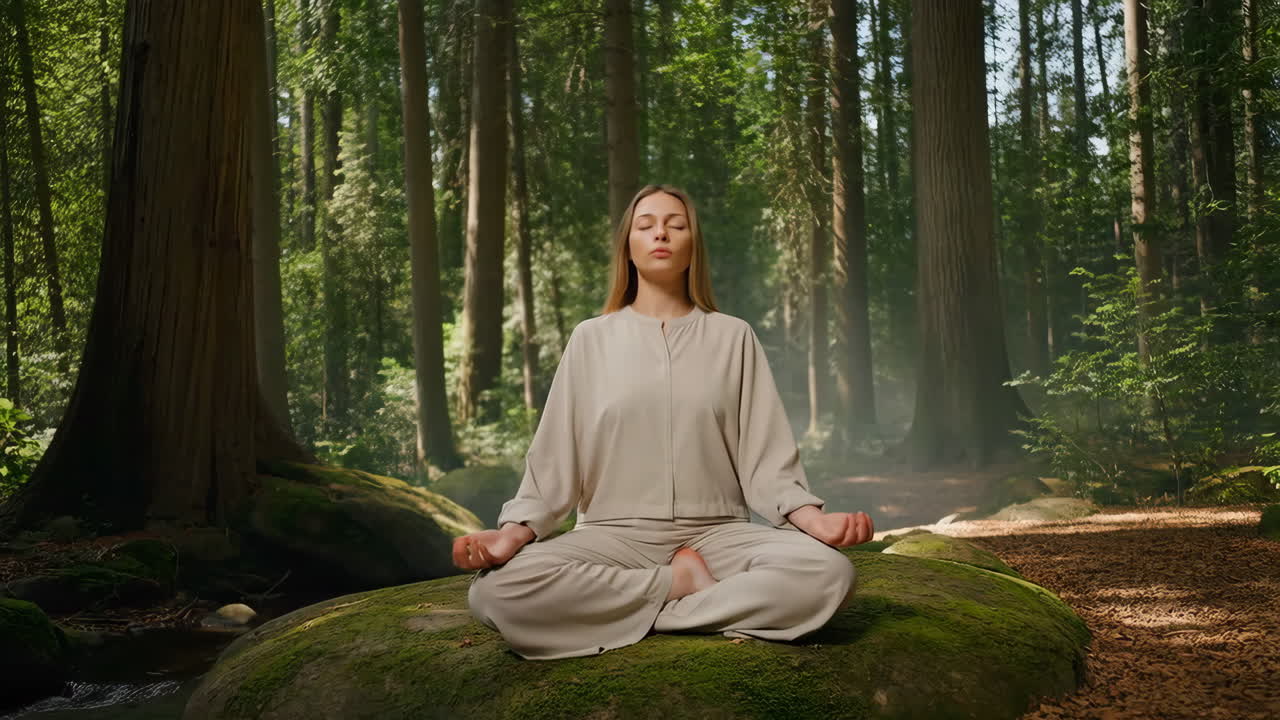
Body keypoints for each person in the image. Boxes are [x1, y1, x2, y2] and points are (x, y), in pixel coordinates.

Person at [454, 184, 874, 660]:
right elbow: (554, 462)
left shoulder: (733, 337)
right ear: (627, 247)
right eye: (646, 225)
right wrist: (510, 535)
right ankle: (683, 586)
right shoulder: (590, 340)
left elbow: (767, 460)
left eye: (677, 226)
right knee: (494, 591)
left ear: (693, 245)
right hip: (612, 536)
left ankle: (644, 610)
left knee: (829, 575)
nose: (662, 235)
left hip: (719, 534)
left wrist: (814, 523)